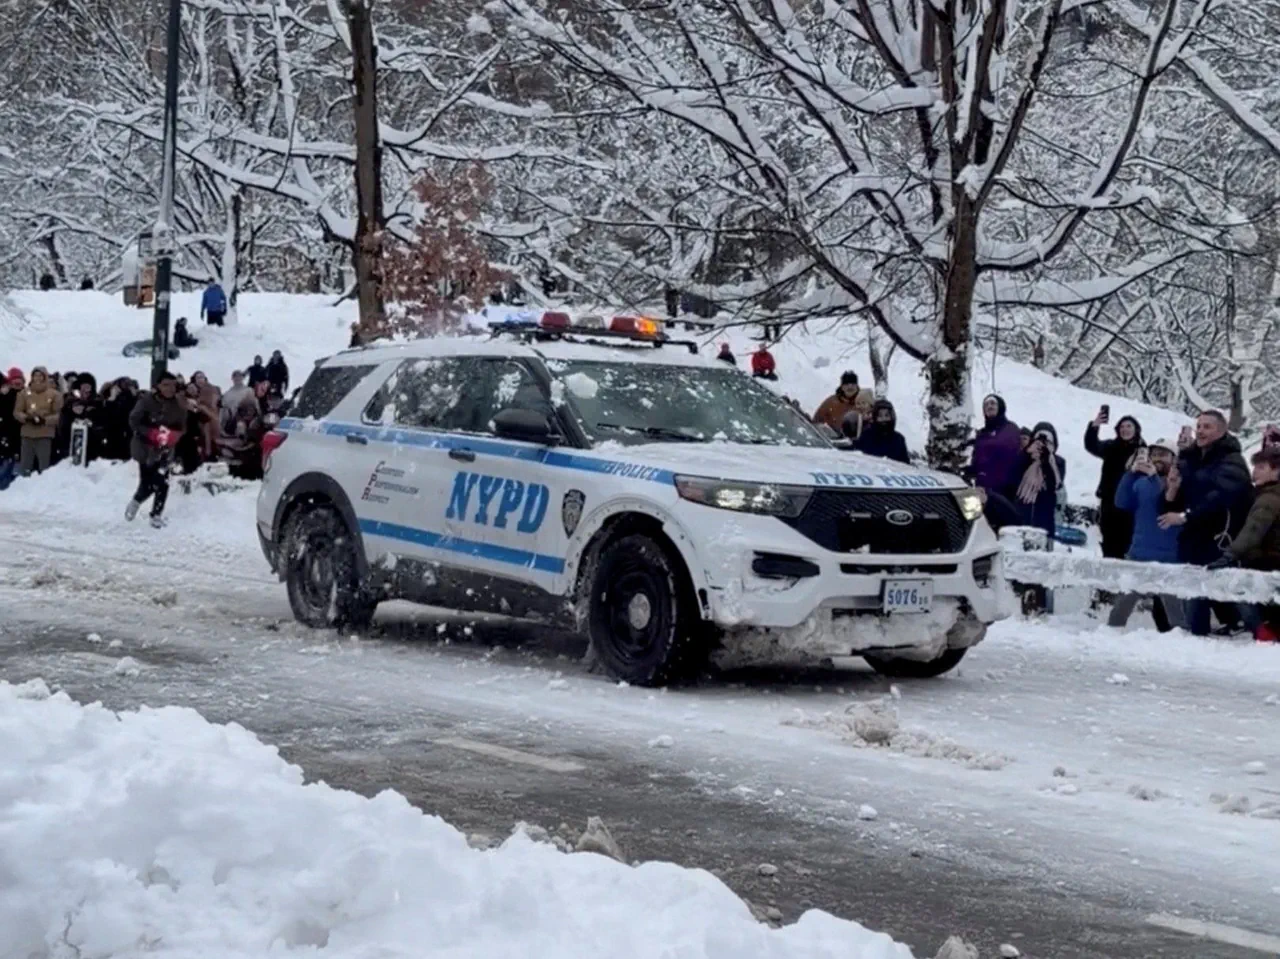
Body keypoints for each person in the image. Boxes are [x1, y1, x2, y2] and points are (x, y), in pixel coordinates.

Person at [1159, 410, 1254, 636]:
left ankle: (1257, 634)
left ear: (1221, 431)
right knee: (1193, 596)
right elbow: (1172, 503)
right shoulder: (1189, 459)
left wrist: (1187, 516)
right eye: (1199, 426)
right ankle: (1198, 637)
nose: (1200, 431)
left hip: (1219, 540)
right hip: (1192, 539)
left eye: (1207, 427)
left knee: (1233, 594)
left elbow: (1222, 497)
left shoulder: (1232, 460)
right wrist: (1172, 489)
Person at [1108, 440, 1183, 631]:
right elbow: (1120, 502)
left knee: (1176, 612)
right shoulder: (1141, 483)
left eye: (1164, 455)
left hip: (1170, 557)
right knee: (1121, 608)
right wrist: (1130, 474)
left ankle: (1183, 645)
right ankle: (1109, 638)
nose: (1158, 458)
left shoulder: (1178, 483)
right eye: (1155, 454)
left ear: (1173, 460)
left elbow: (1163, 502)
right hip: (1139, 553)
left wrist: (1153, 478)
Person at [1211, 446, 1280, 642]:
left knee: (1244, 593)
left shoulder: (1268, 498)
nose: (1255, 471)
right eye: (1255, 466)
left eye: (1261, 467)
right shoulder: (1265, 494)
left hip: (1267, 559)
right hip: (1271, 558)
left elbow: (1253, 530)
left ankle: (1264, 636)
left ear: (1276, 470)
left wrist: (1230, 554)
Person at [125, 372, 188, 528]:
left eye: (173, 385)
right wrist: (150, 433)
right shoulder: (146, 401)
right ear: (158, 386)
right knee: (148, 481)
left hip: (165, 448)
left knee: (163, 481)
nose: (170, 389)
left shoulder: (179, 404)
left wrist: (175, 435)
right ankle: (136, 500)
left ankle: (156, 514)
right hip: (145, 447)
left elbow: (182, 426)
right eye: (166, 385)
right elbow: (134, 420)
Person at [1085, 409, 1143, 559]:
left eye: (1129, 426)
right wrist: (1095, 426)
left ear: (1136, 429)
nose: (1125, 429)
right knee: (1109, 541)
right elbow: (1092, 445)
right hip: (1109, 501)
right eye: (1122, 427)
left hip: (1130, 504)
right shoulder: (1111, 446)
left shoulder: (1142, 450)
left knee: (1127, 542)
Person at [1014, 422, 1066, 536]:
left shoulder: (1058, 462)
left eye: (1047, 442)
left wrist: (1046, 460)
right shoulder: (1025, 457)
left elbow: (1055, 484)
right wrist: (1027, 453)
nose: (1042, 444)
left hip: (1044, 518)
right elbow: (1014, 473)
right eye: (1039, 440)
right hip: (1022, 512)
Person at [13, 366, 63, 475]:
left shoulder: (54, 394)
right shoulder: (23, 393)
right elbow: (17, 412)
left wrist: (45, 420)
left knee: (44, 468)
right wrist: (26, 417)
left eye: (41, 376)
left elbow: (59, 415)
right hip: (27, 433)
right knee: (25, 466)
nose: (38, 378)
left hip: (45, 434)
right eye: (36, 375)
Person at [971, 394, 1023, 497]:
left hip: (1006, 490)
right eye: (986, 405)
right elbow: (977, 459)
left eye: (993, 403)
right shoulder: (982, 434)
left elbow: (1005, 451)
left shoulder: (1011, 429)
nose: (989, 406)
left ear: (1001, 407)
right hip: (983, 490)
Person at [57, 374, 102, 464]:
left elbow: (103, 425)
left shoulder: (98, 403)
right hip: (71, 447)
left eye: (88, 386)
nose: (85, 390)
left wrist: (91, 423)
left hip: (92, 448)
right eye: (83, 386)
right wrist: (72, 412)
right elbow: (62, 427)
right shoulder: (69, 402)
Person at [853, 399, 910, 464]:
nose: (884, 419)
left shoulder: (899, 439)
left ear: (892, 417)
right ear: (875, 417)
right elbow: (858, 457)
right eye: (880, 416)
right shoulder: (867, 435)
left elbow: (905, 465)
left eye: (886, 415)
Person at [0, 367, 23, 490]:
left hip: (19, 442)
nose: (17, 384)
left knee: (14, 475)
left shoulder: (26, 396)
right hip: (5, 441)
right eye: (14, 381)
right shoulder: (5, 397)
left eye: (19, 381)